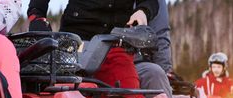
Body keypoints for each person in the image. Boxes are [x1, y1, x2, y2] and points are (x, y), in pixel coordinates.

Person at [26, 0, 159, 91]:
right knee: (64, 97)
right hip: (75, 45)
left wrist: (143, 10)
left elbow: (150, 2)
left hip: (116, 43)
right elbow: (37, 6)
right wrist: (37, 17)